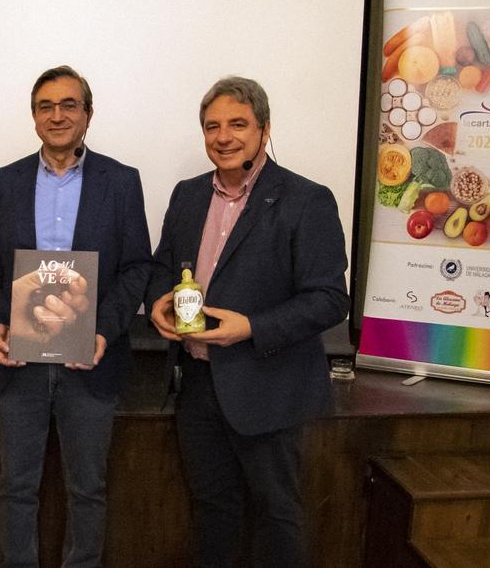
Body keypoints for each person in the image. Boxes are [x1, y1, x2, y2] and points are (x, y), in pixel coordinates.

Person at [146, 76, 350, 567]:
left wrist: (251, 327)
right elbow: (162, 268)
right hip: (197, 385)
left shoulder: (306, 199)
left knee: (277, 515)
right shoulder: (188, 194)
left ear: (264, 129)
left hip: (269, 386)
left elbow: (329, 299)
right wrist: (157, 301)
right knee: (213, 510)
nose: (224, 136)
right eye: (213, 126)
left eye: (238, 124)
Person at [0, 65, 152, 567]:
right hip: (19, 365)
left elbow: (138, 266)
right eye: (46, 106)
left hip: (91, 362)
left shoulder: (121, 182)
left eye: (68, 105)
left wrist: (102, 329)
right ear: (34, 118)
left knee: (88, 490)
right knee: (15, 488)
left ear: (87, 115)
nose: (57, 115)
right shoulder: (4, 182)